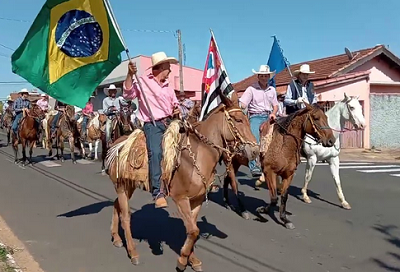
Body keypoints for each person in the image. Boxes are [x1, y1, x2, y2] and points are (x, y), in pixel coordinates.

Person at [123, 51, 181, 208]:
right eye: (168, 67)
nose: (170, 70)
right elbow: (128, 94)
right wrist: (129, 74)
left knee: (190, 144)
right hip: (152, 124)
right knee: (155, 152)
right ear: (160, 67)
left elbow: (175, 102)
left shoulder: (169, 86)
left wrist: (176, 108)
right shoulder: (142, 82)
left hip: (170, 122)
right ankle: (157, 191)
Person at [239, 65, 278, 177]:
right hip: (255, 116)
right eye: (262, 76)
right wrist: (239, 104)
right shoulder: (251, 89)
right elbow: (243, 104)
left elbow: (275, 105)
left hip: (269, 116)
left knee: (280, 135)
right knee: (254, 139)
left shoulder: (272, 90)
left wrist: (273, 113)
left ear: (269, 77)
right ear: (258, 76)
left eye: (266, 76)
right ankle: (254, 166)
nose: (264, 78)